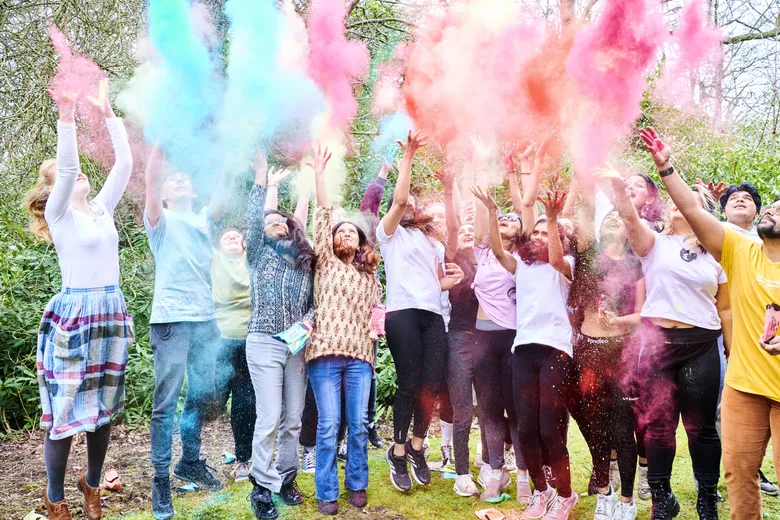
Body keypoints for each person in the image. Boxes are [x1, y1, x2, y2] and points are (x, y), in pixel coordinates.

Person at [639, 127, 780, 520]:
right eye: (771, 207)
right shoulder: (741, 249)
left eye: (777, 209)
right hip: (744, 385)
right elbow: (695, 211)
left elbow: (727, 309)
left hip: (770, 381)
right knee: (738, 473)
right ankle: (700, 505)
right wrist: (666, 168)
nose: (770, 210)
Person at [27, 82, 133, 520]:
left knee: (103, 410)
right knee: (67, 413)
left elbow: (124, 165)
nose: (80, 174)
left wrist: (109, 113)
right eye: (66, 177)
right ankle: (55, 500)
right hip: (75, 315)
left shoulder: (102, 210)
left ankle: (92, 484)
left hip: (110, 312)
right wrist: (66, 118)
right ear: (53, 190)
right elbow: (67, 170)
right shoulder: (60, 215)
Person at [605, 155, 728, 520]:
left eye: (691, 199)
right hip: (658, 345)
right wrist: (619, 191)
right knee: (656, 425)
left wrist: (731, 348)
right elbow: (629, 218)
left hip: (701, 347)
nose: (679, 202)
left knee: (701, 428)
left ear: (702, 211)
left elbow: (726, 308)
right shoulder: (654, 242)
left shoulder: (720, 252)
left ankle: (707, 500)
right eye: (675, 198)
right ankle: (662, 499)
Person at [472, 185, 579, 520]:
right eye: (538, 232)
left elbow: (558, 257)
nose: (542, 236)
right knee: (526, 429)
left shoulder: (565, 265)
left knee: (549, 429)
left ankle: (565, 495)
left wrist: (551, 215)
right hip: (524, 350)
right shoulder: (523, 266)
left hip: (555, 350)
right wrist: (491, 213)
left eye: (550, 233)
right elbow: (499, 252)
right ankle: (540, 492)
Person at [144, 143, 230, 518]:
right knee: (165, 404)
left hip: (205, 320)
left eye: (185, 179)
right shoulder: (159, 219)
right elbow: (150, 181)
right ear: (164, 193)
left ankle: (190, 461)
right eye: (172, 180)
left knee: (205, 394)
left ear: (194, 192)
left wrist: (232, 151)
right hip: (170, 321)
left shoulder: (203, 221)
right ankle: (161, 482)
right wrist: (160, 147)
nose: (179, 180)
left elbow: (221, 200)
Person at [379, 130, 463, 493]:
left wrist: (448, 190)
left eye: (415, 202)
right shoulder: (389, 234)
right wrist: (408, 159)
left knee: (431, 386)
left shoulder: (430, 238)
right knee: (410, 382)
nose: (410, 204)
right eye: (407, 199)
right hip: (403, 313)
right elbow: (397, 202)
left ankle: (416, 447)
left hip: (433, 315)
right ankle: (396, 452)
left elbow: (455, 232)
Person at [305, 146, 383, 515]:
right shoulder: (325, 264)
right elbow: (322, 216)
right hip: (323, 354)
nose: (347, 234)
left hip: (360, 358)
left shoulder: (370, 277)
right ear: (332, 240)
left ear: (361, 241)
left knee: (359, 424)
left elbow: (376, 317)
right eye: (342, 231)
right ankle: (326, 491)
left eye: (353, 232)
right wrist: (320, 174)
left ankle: (357, 483)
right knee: (329, 425)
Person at [471, 140, 549, 504]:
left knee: (515, 409)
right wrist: (480, 159)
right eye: (499, 218)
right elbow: (478, 212)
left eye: (510, 219)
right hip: (483, 337)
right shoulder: (483, 250)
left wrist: (526, 168)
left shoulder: (523, 255)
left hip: (514, 337)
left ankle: (522, 474)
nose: (504, 220)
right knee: (488, 406)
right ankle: (496, 473)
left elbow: (528, 208)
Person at [568, 182, 645, 520]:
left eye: (620, 217)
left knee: (621, 430)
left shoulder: (636, 266)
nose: (613, 219)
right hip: (586, 352)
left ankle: (627, 501)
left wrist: (620, 319)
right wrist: (581, 175)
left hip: (620, 354)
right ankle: (604, 493)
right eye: (608, 217)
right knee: (596, 428)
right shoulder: (587, 255)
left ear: (630, 230)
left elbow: (643, 316)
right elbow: (580, 214)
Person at [244, 152, 315, 520]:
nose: (273, 223)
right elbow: (256, 217)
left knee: (294, 418)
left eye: (280, 220)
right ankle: (261, 487)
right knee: (269, 416)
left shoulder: (306, 260)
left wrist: (309, 321)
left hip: (296, 347)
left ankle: (287, 479)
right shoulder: (258, 254)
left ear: (290, 227)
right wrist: (264, 179)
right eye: (268, 221)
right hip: (263, 342)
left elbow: (319, 301)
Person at [436, 168, 480, 496]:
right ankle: (462, 472)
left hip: (493, 340)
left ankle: (495, 466)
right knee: (462, 406)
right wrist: (450, 191)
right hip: (460, 339)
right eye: (461, 230)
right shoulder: (452, 258)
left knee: (491, 408)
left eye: (471, 229)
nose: (465, 232)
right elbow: (452, 227)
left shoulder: (493, 260)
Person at [211, 227, 255, 481]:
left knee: (245, 403)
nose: (231, 237)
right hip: (219, 341)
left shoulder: (252, 263)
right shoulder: (214, 260)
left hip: (250, 341)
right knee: (210, 399)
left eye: (237, 236)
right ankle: (191, 458)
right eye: (225, 235)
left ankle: (243, 460)